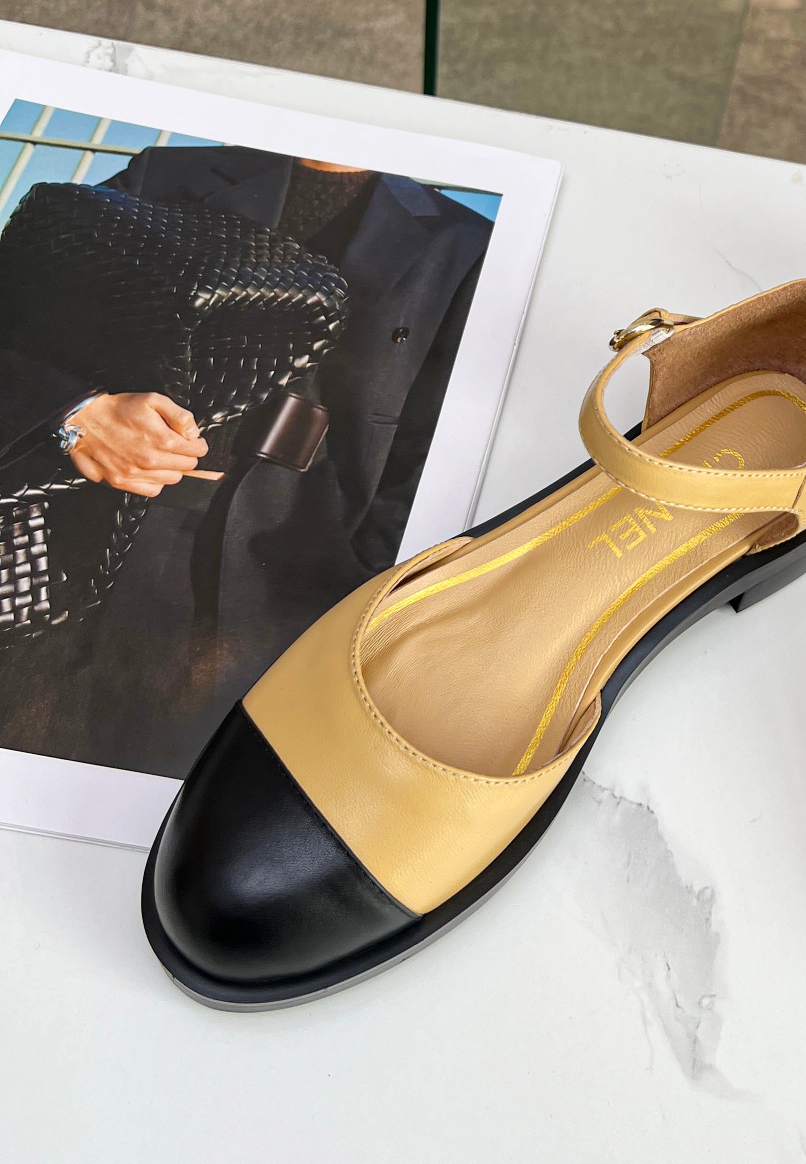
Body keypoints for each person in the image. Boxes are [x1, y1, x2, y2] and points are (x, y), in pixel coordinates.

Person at [0, 148, 490, 775]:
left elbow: (439, 451)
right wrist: (74, 412)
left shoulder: (465, 244)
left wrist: (365, 590)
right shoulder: (164, 176)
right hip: (76, 542)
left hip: (288, 593)